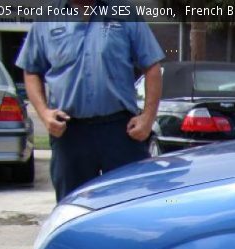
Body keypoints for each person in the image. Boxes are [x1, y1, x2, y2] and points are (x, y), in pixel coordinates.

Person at [16, 0, 164, 201]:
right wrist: (44, 113)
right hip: (69, 133)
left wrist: (147, 117)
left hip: (122, 132)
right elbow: (31, 70)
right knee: (73, 208)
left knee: (131, 205)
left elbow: (152, 66)